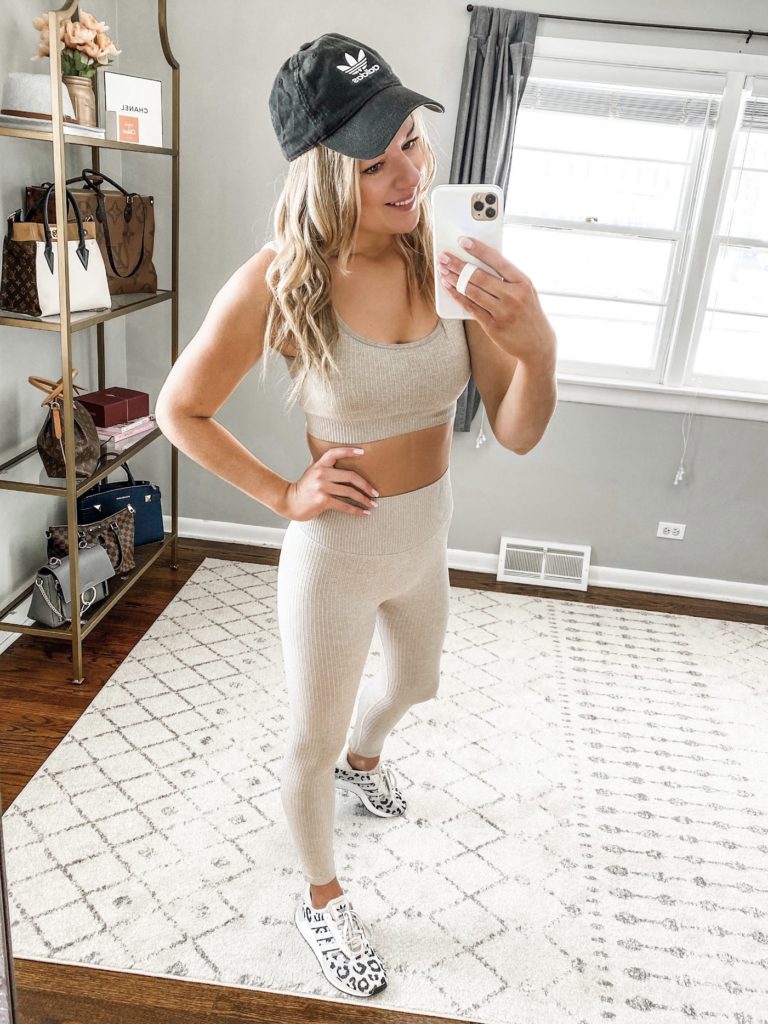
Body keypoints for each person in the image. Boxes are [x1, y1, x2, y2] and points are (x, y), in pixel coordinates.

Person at [156, 30, 543, 1000]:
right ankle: (322, 898)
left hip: (424, 535)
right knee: (309, 742)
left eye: (411, 141)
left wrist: (536, 346)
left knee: (418, 679)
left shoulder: (450, 262)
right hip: (335, 553)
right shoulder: (282, 279)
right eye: (376, 163)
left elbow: (517, 428)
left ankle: (367, 760)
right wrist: (284, 495)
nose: (410, 175)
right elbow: (178, 410)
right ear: (324, 172)